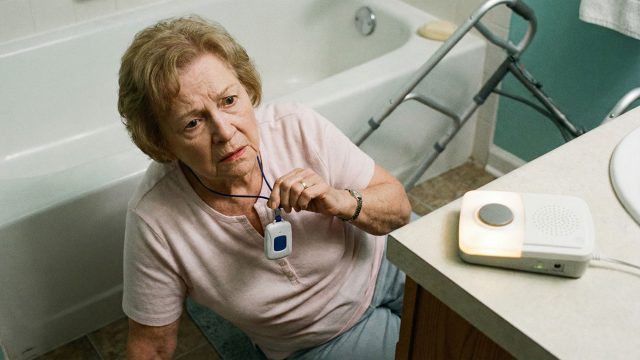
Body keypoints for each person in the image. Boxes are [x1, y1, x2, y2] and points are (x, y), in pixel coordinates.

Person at [118, 15, 412, 360]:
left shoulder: (296, 125)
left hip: (384, 256)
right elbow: (152, 346)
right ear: (162, 143)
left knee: (477, 311)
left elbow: (399, 208)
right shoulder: (156, 218)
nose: (225, 132)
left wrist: (342, 201)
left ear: (247, 88)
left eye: (229, 101)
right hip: (319, 337)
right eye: (193, 122)